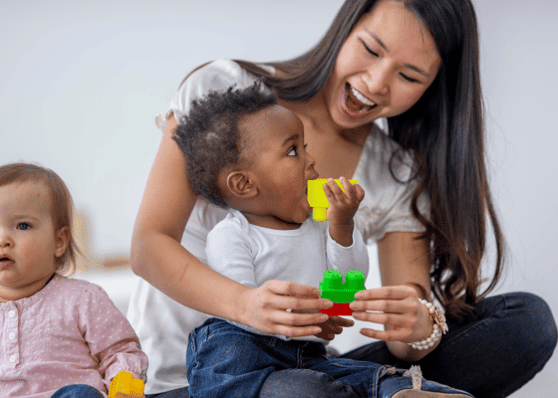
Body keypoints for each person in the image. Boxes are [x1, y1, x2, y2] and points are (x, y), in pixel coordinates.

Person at [128, 0, 558, 397]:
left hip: (310, 368)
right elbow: (149, 246)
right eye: (371, 49)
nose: (376, 83)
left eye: (409, 76)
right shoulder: (226, 94)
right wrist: (245, 305)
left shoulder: (395, 173)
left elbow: (387, 322)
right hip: (194, 379)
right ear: (347, 28)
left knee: (527, 323)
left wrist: (418, 325)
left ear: (432, 87)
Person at [175, 84, 476, 398]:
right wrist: (306, 320)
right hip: (240, 354)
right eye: (293, 151)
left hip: (307, 354)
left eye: (305, 147)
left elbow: (348, 281)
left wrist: (342, 226)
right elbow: (245, 309)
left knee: (353, 376)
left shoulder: (319, 225)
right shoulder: (231, 235)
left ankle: (399, 391)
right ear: (244, 184)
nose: (311, 161)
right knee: (303, 388)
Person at [0, 163, 148, 398]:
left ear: (59, 241)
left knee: (81, 394)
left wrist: (124, 391)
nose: (1, 239)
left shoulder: (82, 298)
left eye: (22, 225)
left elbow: (120, 353)